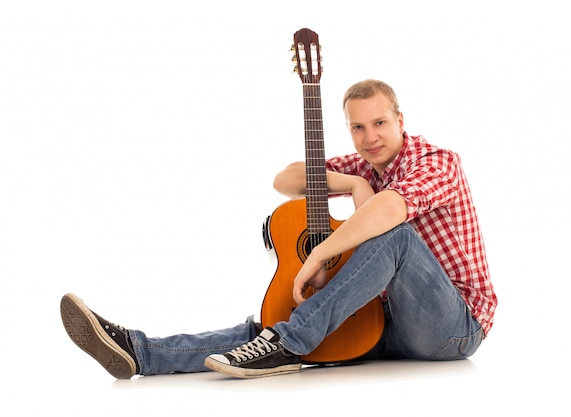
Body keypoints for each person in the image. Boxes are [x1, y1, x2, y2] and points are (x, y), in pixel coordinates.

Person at [60, 79, 497, 379]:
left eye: (379, 123)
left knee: (394, 237)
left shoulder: (438, 162)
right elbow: (286, 179)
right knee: (270, 327)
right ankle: (140, 352)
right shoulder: (366, 165)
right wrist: (352, 182)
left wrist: (320, 255)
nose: (369, 137)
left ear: (400, 120)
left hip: (452, 327)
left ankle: (288, 342)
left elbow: (389, 211)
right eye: (358, 127)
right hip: (386, 322)